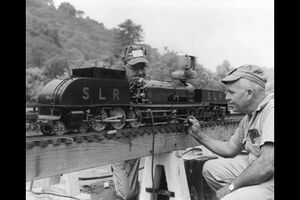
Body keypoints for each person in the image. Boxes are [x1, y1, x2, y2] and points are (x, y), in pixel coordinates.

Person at [187, 64, 274, 200]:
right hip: (261, 170)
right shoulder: (249, 117)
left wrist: (231, 187)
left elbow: (266, 165)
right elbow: (230, 148)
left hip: (271, 178)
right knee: (212, 169)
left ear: (249, 93)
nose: (226, 97)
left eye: (231, 92)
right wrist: (199, 135)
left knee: (230, 197)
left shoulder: (271, 112)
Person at [111, 44, 149, 200]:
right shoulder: (114, 89)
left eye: (143, 67)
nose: (140, 72)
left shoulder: (145, 86)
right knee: (128, 193)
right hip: (120, 141)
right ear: (124, 68)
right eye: (135, 68)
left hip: (141, 138)